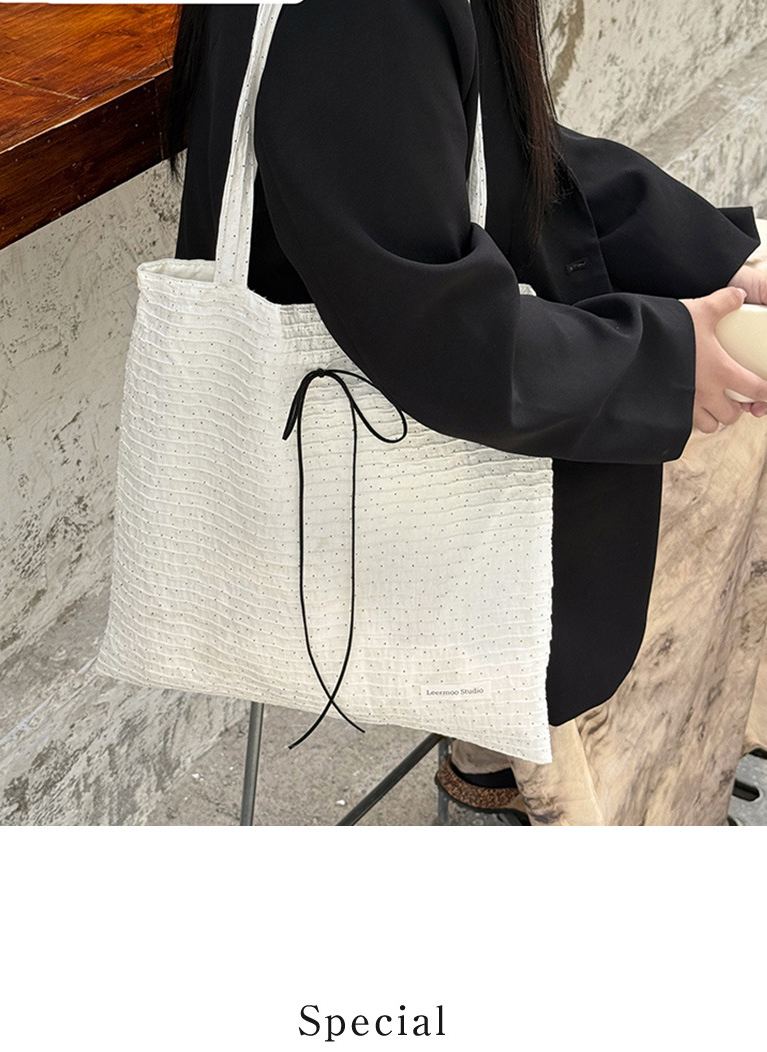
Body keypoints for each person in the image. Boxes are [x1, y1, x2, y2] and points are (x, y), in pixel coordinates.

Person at [166, 1, 767, 816]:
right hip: (377, 491)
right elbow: (431, 328)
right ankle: (549, 770)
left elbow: (507, 154)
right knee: (699, 452)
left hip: (424, 415)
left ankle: (533, 763)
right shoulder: (362, 17)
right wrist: (664, 364)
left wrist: (723, 258)